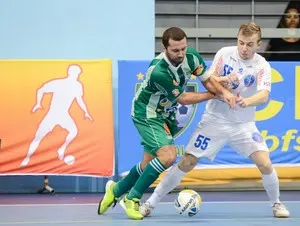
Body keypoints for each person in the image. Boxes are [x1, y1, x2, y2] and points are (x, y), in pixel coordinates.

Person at [140, 22, 290, 218]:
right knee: (187, 161)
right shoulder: (224, 53)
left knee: (265, 163)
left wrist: (246, 101)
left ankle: (277, 204)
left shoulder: (262, 65)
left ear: (258, 45)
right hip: (214, 120)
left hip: (243, 125)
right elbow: (210, 79)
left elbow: (264, 96)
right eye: (241, 43)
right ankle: (149, 204)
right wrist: (224, 84)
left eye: (250, 44)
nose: (244, 48)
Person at [97, 27, 236, 220]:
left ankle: (116, 189)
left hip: (165, 113)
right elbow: (184, 98)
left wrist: (224, 92)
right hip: (147, 113)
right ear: (164, 48)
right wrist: (215, 94)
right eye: (175, 50)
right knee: (168, 156)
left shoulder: (192, 56)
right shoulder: (158, 71)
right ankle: (132, 198)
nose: (180, 54)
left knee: (148, 164)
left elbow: (207, 80)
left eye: (183, 49)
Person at [21, 64, 93, 166]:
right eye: (76, 72)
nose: (77, 75)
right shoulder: (59, 83)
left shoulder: (78, 86)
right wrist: (38, 103)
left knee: (74, 131)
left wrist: (86, 112)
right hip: (52, 114)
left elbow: (79, 100)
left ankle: (62, 148)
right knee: (38, 137)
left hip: (64, 115)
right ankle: (27, 158)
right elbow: (41, 90)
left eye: (78, 73)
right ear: (70, 72)